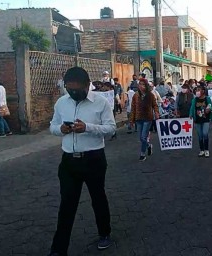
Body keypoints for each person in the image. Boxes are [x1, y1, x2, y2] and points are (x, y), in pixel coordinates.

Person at [48, 67, 116, 255]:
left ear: (87, 86)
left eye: (77, 90)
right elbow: (52, 126)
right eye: (69, 90)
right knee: (67, 205)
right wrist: (60, 129)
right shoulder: (62, 103)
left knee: (98, 198)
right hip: (69, 161)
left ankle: (104, 233)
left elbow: (111, 128)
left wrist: (87, 128)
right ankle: (58, 248)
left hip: (93, 159)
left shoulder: (100, 102)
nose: (73, 93)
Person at [129, 78, 160, 161]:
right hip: (138, 118)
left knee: (143, 137)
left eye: (143, 84)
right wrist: (131, 120)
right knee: (140, 138)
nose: (141, 86)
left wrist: (156, 113)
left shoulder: (150, 95)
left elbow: (155, 105)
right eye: (140, 84)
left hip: (147, 118)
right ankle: (149, 146)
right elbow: (133, 108)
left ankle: (142, 154)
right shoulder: (135, 95)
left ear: (146, 86)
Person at [189, 85, 212, 157]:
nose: (197, 91)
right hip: (197, 120)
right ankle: (202, 150)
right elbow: (192, 108)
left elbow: (211, 106)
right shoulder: (194, 100)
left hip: (205, 119)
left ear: (203, 91)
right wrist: (190, 114)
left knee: (205, 134)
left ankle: (206, 150)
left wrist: (209, 109)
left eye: (199, 90)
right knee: (200, 136)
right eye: (196, 90)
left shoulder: (207, 98)